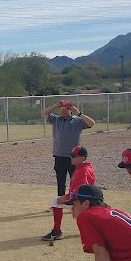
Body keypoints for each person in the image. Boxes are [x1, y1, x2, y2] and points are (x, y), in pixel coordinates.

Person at [40, 99, 95, 240]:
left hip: (74, 158)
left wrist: (78, 112)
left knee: (77, 184)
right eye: (62, 108)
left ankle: (74, 202)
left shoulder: (77, 121)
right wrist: (57, 105)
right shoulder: (56, 120)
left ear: (71, 109)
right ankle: (61, 203)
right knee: (60, 183)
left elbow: (91, 123)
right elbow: (44, 113)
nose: (64, 110)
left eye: (66, 108)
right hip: (59, 156)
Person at [47, 145, 96, 241]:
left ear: (82, 158)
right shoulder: (82, 167)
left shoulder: (83, 171)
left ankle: (57, 232)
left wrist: (75, 205)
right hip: (84, 200)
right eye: (71, 155)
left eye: (74, 156)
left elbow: (82, 191)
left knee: (56, 201)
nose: (71, 158)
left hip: (83, 201)